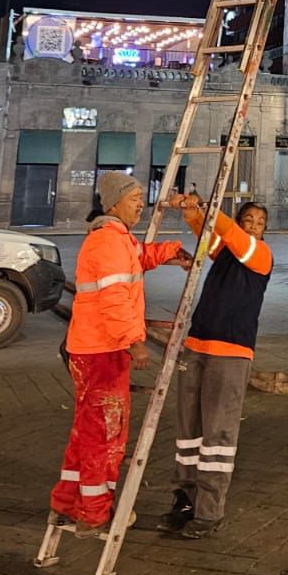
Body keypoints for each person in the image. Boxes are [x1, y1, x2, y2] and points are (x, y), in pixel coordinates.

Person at [49, 171, 191, 537]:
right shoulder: (109, 242)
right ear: (113, 202)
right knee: (106, 436)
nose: (140, 204)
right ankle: (94, 514)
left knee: (86, 432)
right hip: (103, 351)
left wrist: (171, 250)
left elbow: (138, 258)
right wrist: (135, 340)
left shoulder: (115, 239)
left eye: (142, 196)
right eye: (133, 198)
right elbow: (113, 299)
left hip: (89, 348)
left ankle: (67, 502)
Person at [157, 194, 273, 539]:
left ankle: (209, 511)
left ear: (264, 233)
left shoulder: (260, 255)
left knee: (217, 436)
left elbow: (227, 234)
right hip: (197, 346)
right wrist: (192, 212)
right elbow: (208, 236)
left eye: (259, 224)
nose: (252, 226)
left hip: (231, 352)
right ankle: (184, 500)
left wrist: (209, 211)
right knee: (189, 432)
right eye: (248, 220)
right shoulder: (225, 252)